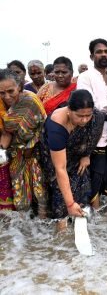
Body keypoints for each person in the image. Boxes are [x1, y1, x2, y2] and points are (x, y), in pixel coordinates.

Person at [41, 89, 105, 228]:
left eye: (88, 115)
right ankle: (61, 239)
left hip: (78, 155)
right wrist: (69, 204)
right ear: (69, 110)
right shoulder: (56, 126)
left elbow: (95, 134)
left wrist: (86, 154)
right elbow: (60, 169)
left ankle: (89, 223)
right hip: (55, 159)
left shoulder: (96, 117)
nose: (84, 120)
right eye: (80, 116)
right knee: (60, 198)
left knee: (83, 185)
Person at [77, 38, 107, 203]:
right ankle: (96, 221)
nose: (103, 54)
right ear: (92, 56)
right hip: (93, 138)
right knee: (94, 180)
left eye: (106, 51)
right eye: (99, 52)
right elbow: (87, 106)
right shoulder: (85, 78)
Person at [0, 69, 47, 216]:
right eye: (2, 93)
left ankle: (43, 230)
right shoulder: (1, 106)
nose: (7, 96)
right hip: (15, 154)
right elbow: (6, 132)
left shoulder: (30, 100)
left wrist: (30, 146)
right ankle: (24, 234)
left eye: (10, 91)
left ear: (19, 86)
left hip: (36, 152)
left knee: (40, 191)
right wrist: (1, 152)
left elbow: (43, 127)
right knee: (19, 192)